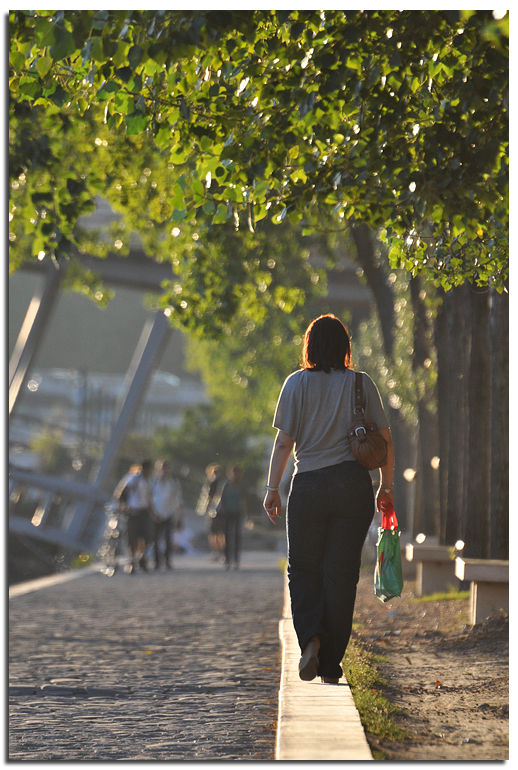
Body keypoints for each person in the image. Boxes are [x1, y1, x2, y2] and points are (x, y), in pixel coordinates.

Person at [263, 314, 394, 684]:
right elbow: (384, 440)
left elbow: (284, 442)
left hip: (308, 488)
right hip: (353, 488)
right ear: (345, 348)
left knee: (303, 570)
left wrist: (272, 489)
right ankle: (332, 663)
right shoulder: (361, 384)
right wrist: (387, 485)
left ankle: (312, 641)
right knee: (341, 575)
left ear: (309, 347)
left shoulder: (295, 383)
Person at [114, 459, 155, 574]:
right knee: (132, 538)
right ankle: (132, 561)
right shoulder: (133, 479)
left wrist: (153, 513)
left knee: (147, 537)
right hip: (133, 512)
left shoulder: (149, 481)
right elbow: (121, 493)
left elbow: (150, 498)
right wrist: (122, 506)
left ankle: (141, 557)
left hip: (144, 512)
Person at [152, 459, 184, 569]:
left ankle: (167, 560)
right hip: (155, 514)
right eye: (162, 468)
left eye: (166, 468)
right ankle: (156, 561)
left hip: (168, 513)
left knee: (167, 538)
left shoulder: (173, 483)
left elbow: (178, 501)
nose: (164, 471)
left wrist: (178, 516)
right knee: (155, 539)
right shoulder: (153, 482)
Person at [218, 466, 247, 570]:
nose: (235, 475)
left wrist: (245, 515)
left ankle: (236, 560)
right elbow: (221, 499)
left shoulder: (241, 486)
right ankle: (227, 559)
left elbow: (243, 501)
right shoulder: (226, 485)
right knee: (226, 537)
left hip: (237, 513)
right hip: (227, 513)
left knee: (237, 537)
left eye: (237, 473)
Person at [199, 464, 226, 561]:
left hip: (215, 511)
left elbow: (209, 498)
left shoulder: (213, 483)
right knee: (219, 533)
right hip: (221, 511)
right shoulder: (223, 483)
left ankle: (218, 552)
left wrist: (206, 508)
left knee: (215, 533)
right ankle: (221, 552)